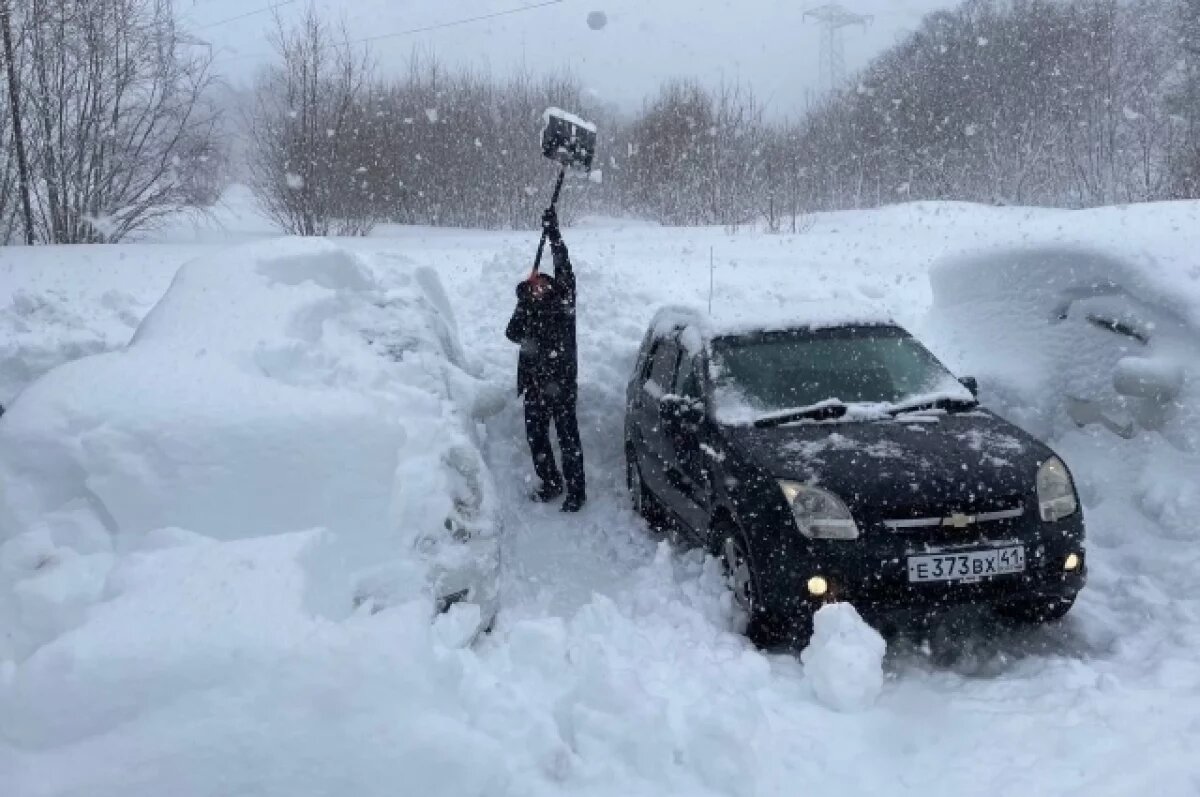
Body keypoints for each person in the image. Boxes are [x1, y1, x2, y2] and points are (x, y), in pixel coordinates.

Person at [505, 206, 586, 512]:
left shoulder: (564, 303)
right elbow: (511, 333)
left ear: (553, 286)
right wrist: (523, 303)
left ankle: (577, 492)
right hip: (535, 386)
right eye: (534, 286)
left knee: (568, 440)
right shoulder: (527, 309)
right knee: (537, 439)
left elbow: (565, 268)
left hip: (562, 383)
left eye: (543, 284)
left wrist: (554, 235)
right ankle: (551, 482)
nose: (539, 288)